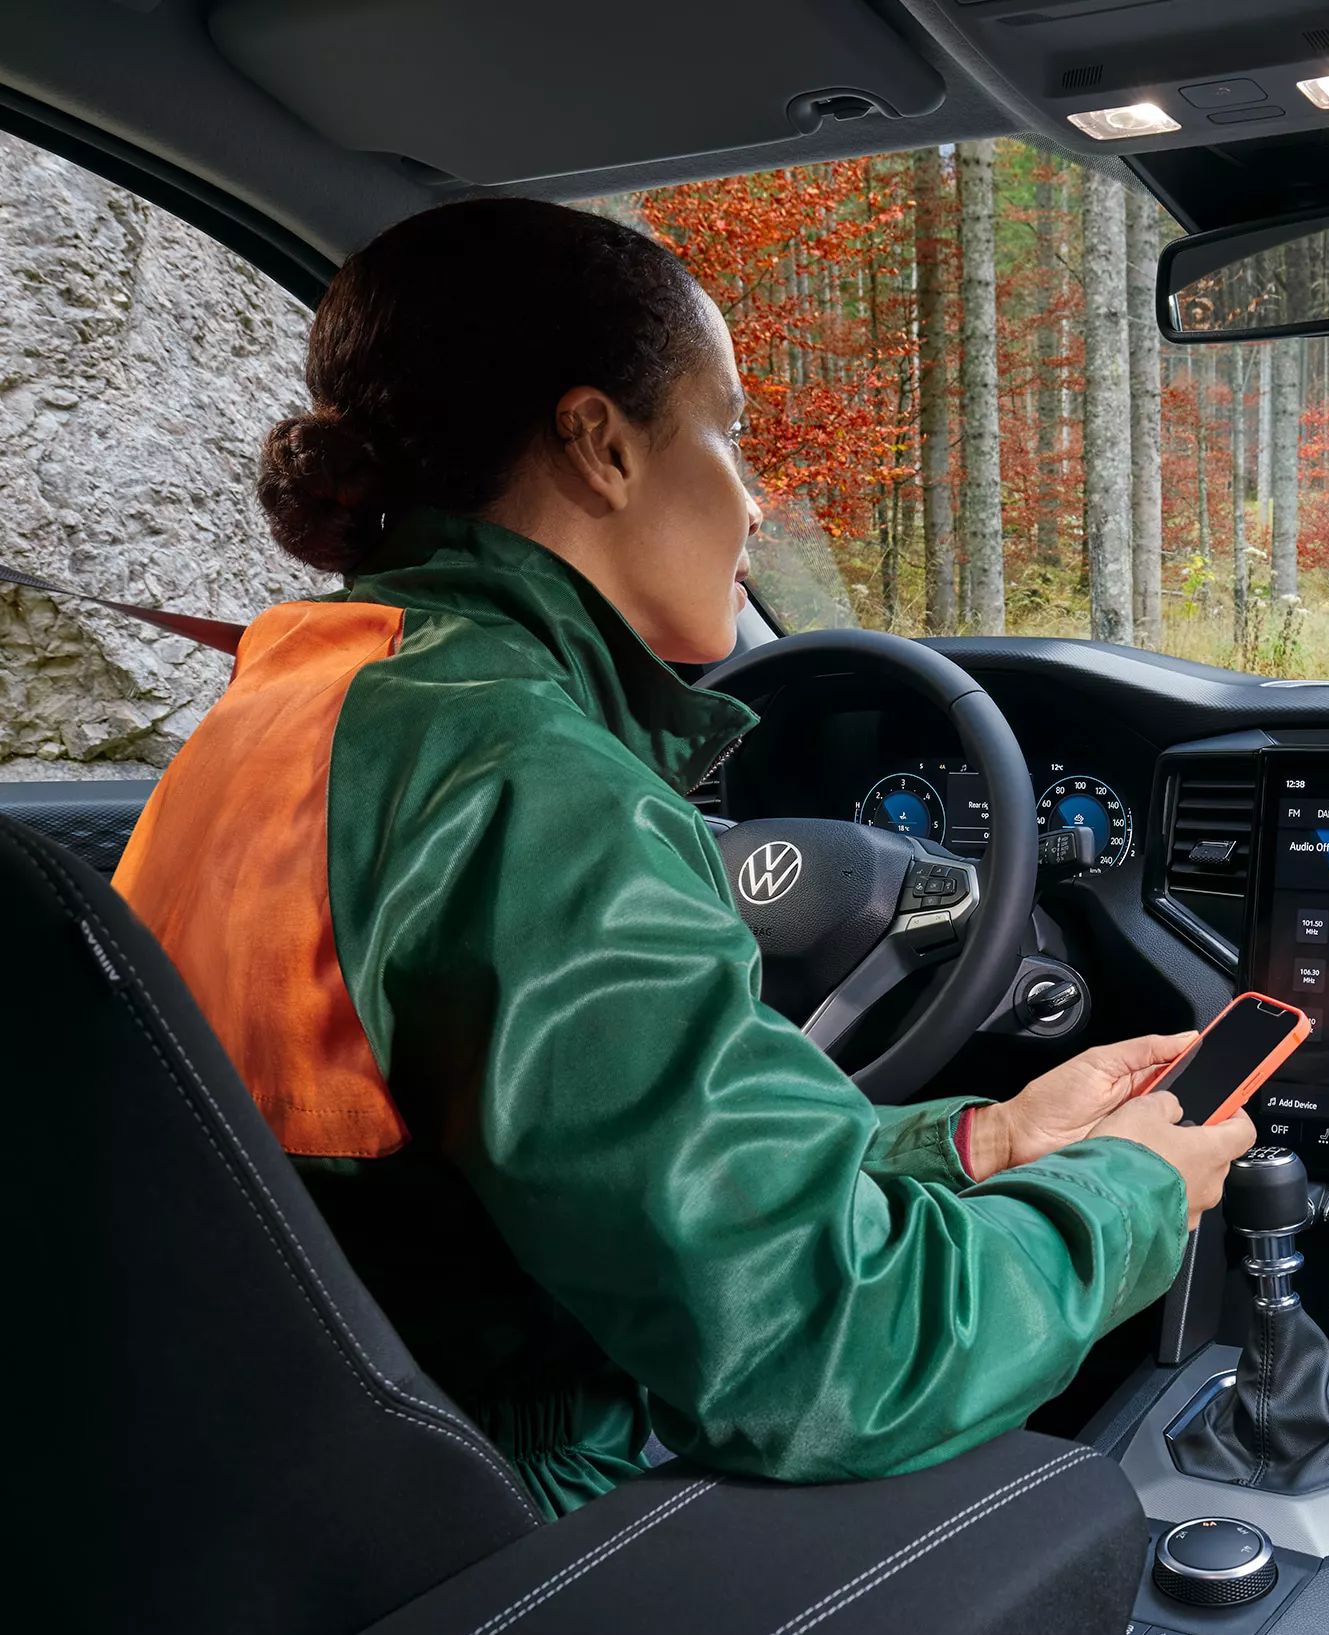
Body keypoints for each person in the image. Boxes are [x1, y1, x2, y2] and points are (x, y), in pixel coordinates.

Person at [113, 197, 1254, 1517]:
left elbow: (590, 1169)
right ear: (600, 444)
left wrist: (989, 1139)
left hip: (265, 1465)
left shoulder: (302, 699)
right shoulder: (527, 782)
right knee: (1068, 1518)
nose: (756, 501)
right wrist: (1131, 1196)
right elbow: (832, 1354)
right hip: (493, 1514)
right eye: (727, 430)